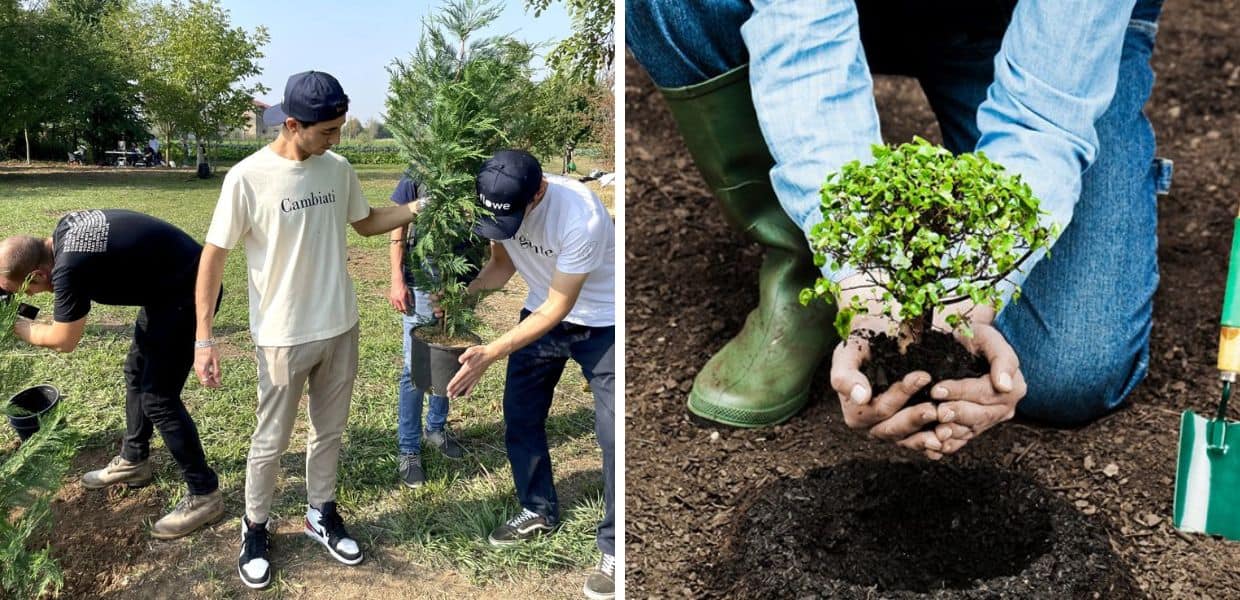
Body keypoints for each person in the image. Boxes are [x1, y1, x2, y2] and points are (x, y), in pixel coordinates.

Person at [626, 1, 1169, 454]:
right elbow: (804, 39)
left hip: (1030, 32)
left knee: (1066, 372)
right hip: (853, 13)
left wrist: (975, 287)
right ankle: (806, 269)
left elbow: (1044, 114)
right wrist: (861, 277)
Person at [193, 70, 426, 590]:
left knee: (330, 433)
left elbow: (364, 223)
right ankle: (255, 528)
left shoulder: (337, 168)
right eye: (327, 132)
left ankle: (321, 513)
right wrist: (203, 337)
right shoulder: (247, 178)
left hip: (340, 326)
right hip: (280, 335)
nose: (336, 140)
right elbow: (213, 257)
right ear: (292, 124)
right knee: (270, 440)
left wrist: (415, 208)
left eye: (340, 129)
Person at [439, 150, 616, 600]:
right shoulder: (500, 199)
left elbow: (562, 306)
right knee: (520, 416)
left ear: (538, 191)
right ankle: (536, 508)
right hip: (540, 312)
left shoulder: (581, 216)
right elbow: (502, 265)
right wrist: (464, 298)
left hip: (604, 322)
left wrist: (493, 351)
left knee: (616, 433)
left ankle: (617, 547)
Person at [0, 210, 224, 539]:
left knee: (158, 396)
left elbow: (64, 340)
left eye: (24, 291)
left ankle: (205, 494)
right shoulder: (63, 233)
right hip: (166, 290)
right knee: (136, 371)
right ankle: (135, 460)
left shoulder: (69, 268)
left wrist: (12, 323)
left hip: (191, 293)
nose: (27, 298)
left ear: (37, 275)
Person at [386, 174, 479, 488]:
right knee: (416, 368)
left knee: (451, 359)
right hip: (421, 283)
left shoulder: (474, 168)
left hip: (462, 282)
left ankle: (436, 429)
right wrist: (397, 278)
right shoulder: (419, 167)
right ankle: (408, 448)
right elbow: (398, 223)